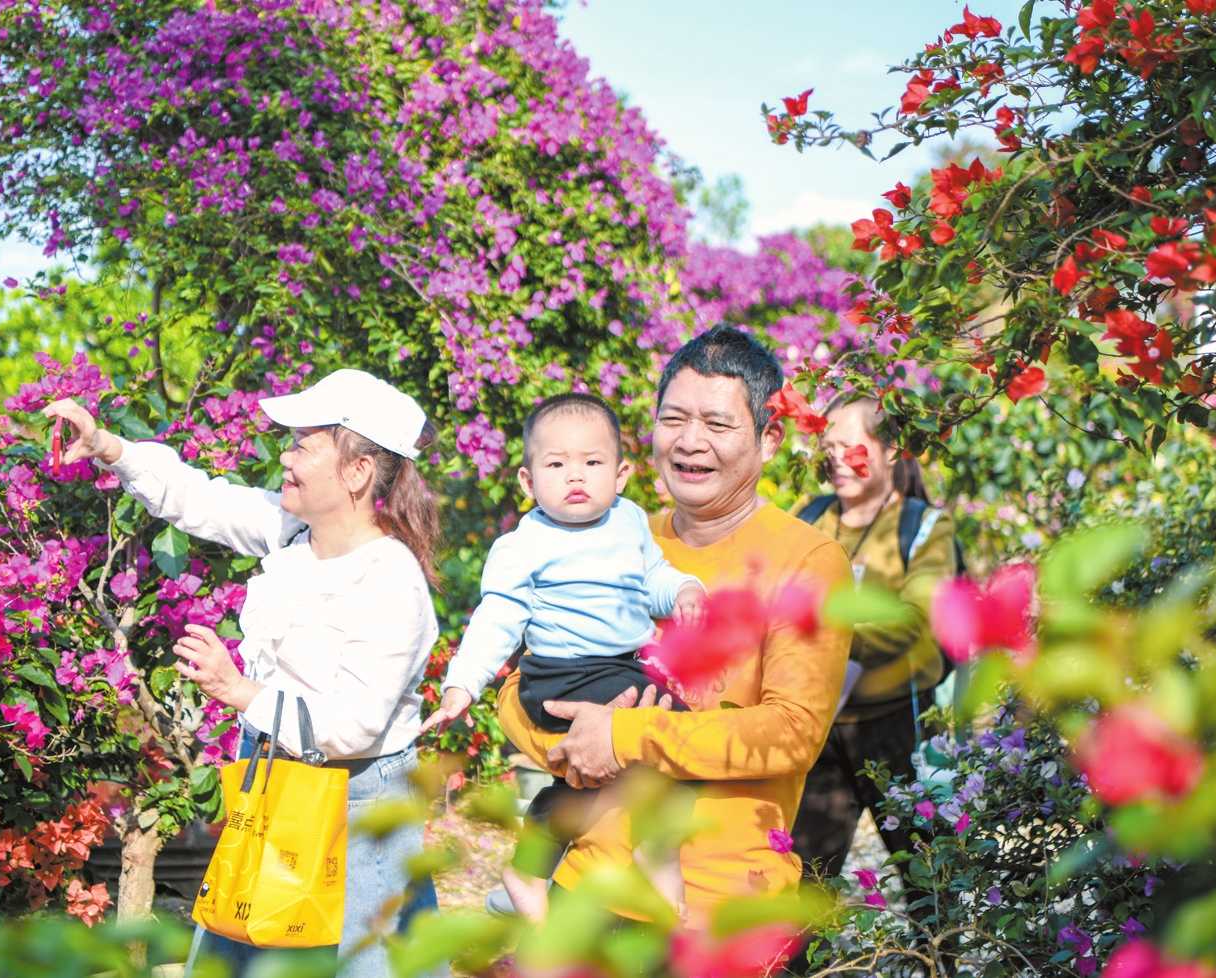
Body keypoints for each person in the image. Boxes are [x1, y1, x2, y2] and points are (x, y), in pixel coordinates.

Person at [42, 369, 445, 978]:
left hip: (356, 806)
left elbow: (355, 726)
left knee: (365, 961)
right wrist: (106, 445)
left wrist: (239, 691)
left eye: (304, 444)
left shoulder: (390, 582)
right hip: (275, 782)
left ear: (358, 472)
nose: (284, 456)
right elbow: (197, 498)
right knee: (247, 946)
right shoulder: (291, 535)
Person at [493, 325, 854, 926]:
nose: (690, 442)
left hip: (713, 904)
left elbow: (792, 733)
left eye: (717, 425)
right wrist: (574, 741)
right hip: (583, 882)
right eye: (673, 419)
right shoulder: (615, 534)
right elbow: (518, 683)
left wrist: (627, 736)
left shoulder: (808, 562)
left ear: (769, 440)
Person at [421, 392, 704, 921]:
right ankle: (624, 851)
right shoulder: (524, 545)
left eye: (592, 463)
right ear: (528, 483)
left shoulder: (630, 522)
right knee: (610, 757)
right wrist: (463, 682)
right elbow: (497, 617)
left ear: (620, 475)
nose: (576, 477)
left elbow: (652, 578)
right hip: (562, 675)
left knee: (653, 748)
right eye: (557, 464)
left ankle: (538, 869)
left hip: (622, 666)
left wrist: (684, 590)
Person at [788, 395, 960, 880]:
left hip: (897, 728)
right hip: (820, 726)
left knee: (928, 877)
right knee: (804, 880)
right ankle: (794, 962)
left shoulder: (924, 526)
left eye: (851, 446)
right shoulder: (809, 518)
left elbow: (910, 621)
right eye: (828, 446)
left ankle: (938, 960)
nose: (836, 459)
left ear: (889, 451)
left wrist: (819, 633)